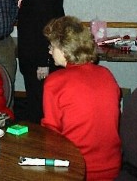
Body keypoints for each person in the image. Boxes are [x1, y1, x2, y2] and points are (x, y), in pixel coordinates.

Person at [41, 16, 121, 181]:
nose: (49, 51)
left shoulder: (55, 81)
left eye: (52, 46)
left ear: (64, 48)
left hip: (75, 169)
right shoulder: (106, 74)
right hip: (112, 166)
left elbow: (51, 134)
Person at [15, 0, 65, 123]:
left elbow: (46, 26)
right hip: (40, 59)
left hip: (39, 63)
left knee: (39, 108)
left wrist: (44, 62)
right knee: (40, 104)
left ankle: (41, 146)